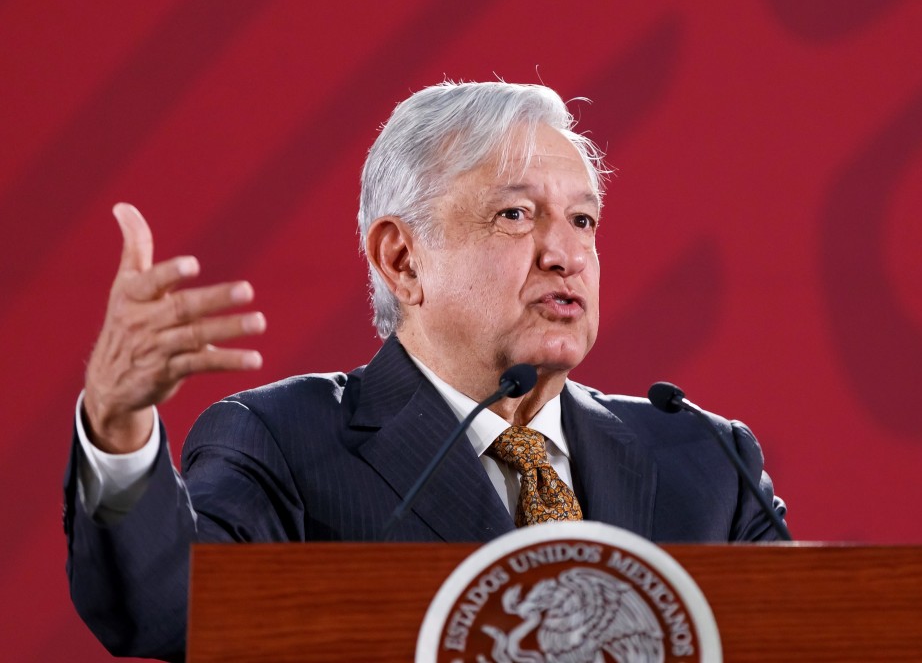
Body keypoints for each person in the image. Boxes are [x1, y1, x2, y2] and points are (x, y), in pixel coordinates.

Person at [64, 81, 787, 661]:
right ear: (402, 260)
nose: (564, 253)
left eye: (582, 221)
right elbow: (166, 614)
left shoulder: (704, 456)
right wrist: (119, 428)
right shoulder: (284, 442)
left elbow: (822, 636)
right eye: (514, 215)